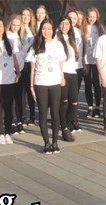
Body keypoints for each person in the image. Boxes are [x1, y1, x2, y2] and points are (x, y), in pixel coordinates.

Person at [27, 18, 66, 154]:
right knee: (43, 113)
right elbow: (32, 69)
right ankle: (46, 143)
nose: (47, 32)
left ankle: (55, 142)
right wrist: (31, 87)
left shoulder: (58, 45)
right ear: (40, 30)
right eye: (44, 29)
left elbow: (61, 64)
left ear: (53, 30)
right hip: (40, 83)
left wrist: (62, 77)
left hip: (55, 82)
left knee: (55, 113)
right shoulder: (35, 46)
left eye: (49, 29)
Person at [57, 16, 79, 143]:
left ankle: (65, 123)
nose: (64, 27)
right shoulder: (56, 39)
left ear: (70, 25)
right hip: (63, 73)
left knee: (74, 103)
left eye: (66, 24)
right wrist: (60, 75)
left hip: (73, 73)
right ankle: (65, 128)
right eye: (62, 24)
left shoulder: (72, 38)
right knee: (64, 102)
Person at [82, 7, 104, 120]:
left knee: (96, 84)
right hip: (86, 60)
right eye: (90, 16)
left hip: (96, 61)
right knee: (87, 84)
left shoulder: (99, 28)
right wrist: (83, 61)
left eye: (93, 17)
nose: (91, 19)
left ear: (97, 17)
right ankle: (89, 107)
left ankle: (97, 107)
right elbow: (82, 46)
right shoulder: (84, 28)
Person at [7, 14, 27, 134]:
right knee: (11, 97)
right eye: (13, 25)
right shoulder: (7, 36)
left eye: (18, 25)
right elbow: (13, 55)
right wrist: (17, 71)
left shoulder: (20, 36)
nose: (15, 27)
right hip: (13, 70)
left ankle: (20, 120)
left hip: (22, 68)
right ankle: (12, 121)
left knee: (20, 97)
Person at [67, 9, 84, 133]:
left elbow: (82, 50)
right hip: (67, 69)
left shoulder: (78, 32)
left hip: (78, 67)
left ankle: (74, 119)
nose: (72, 20)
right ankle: (67, 120)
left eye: (74, 18)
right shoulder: (61, 32)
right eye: (70, 18)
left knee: (75, 96)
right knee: (66, 97)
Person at [20, 8, 38, 125]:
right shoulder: (18, 30)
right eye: (24, 15)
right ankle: (22, 116)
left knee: (31, 89)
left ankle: (32, 115)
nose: (26, 17)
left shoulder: (34, 30)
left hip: (30, 63)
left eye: (28, 15)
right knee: (21, 92)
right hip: (20, 64)